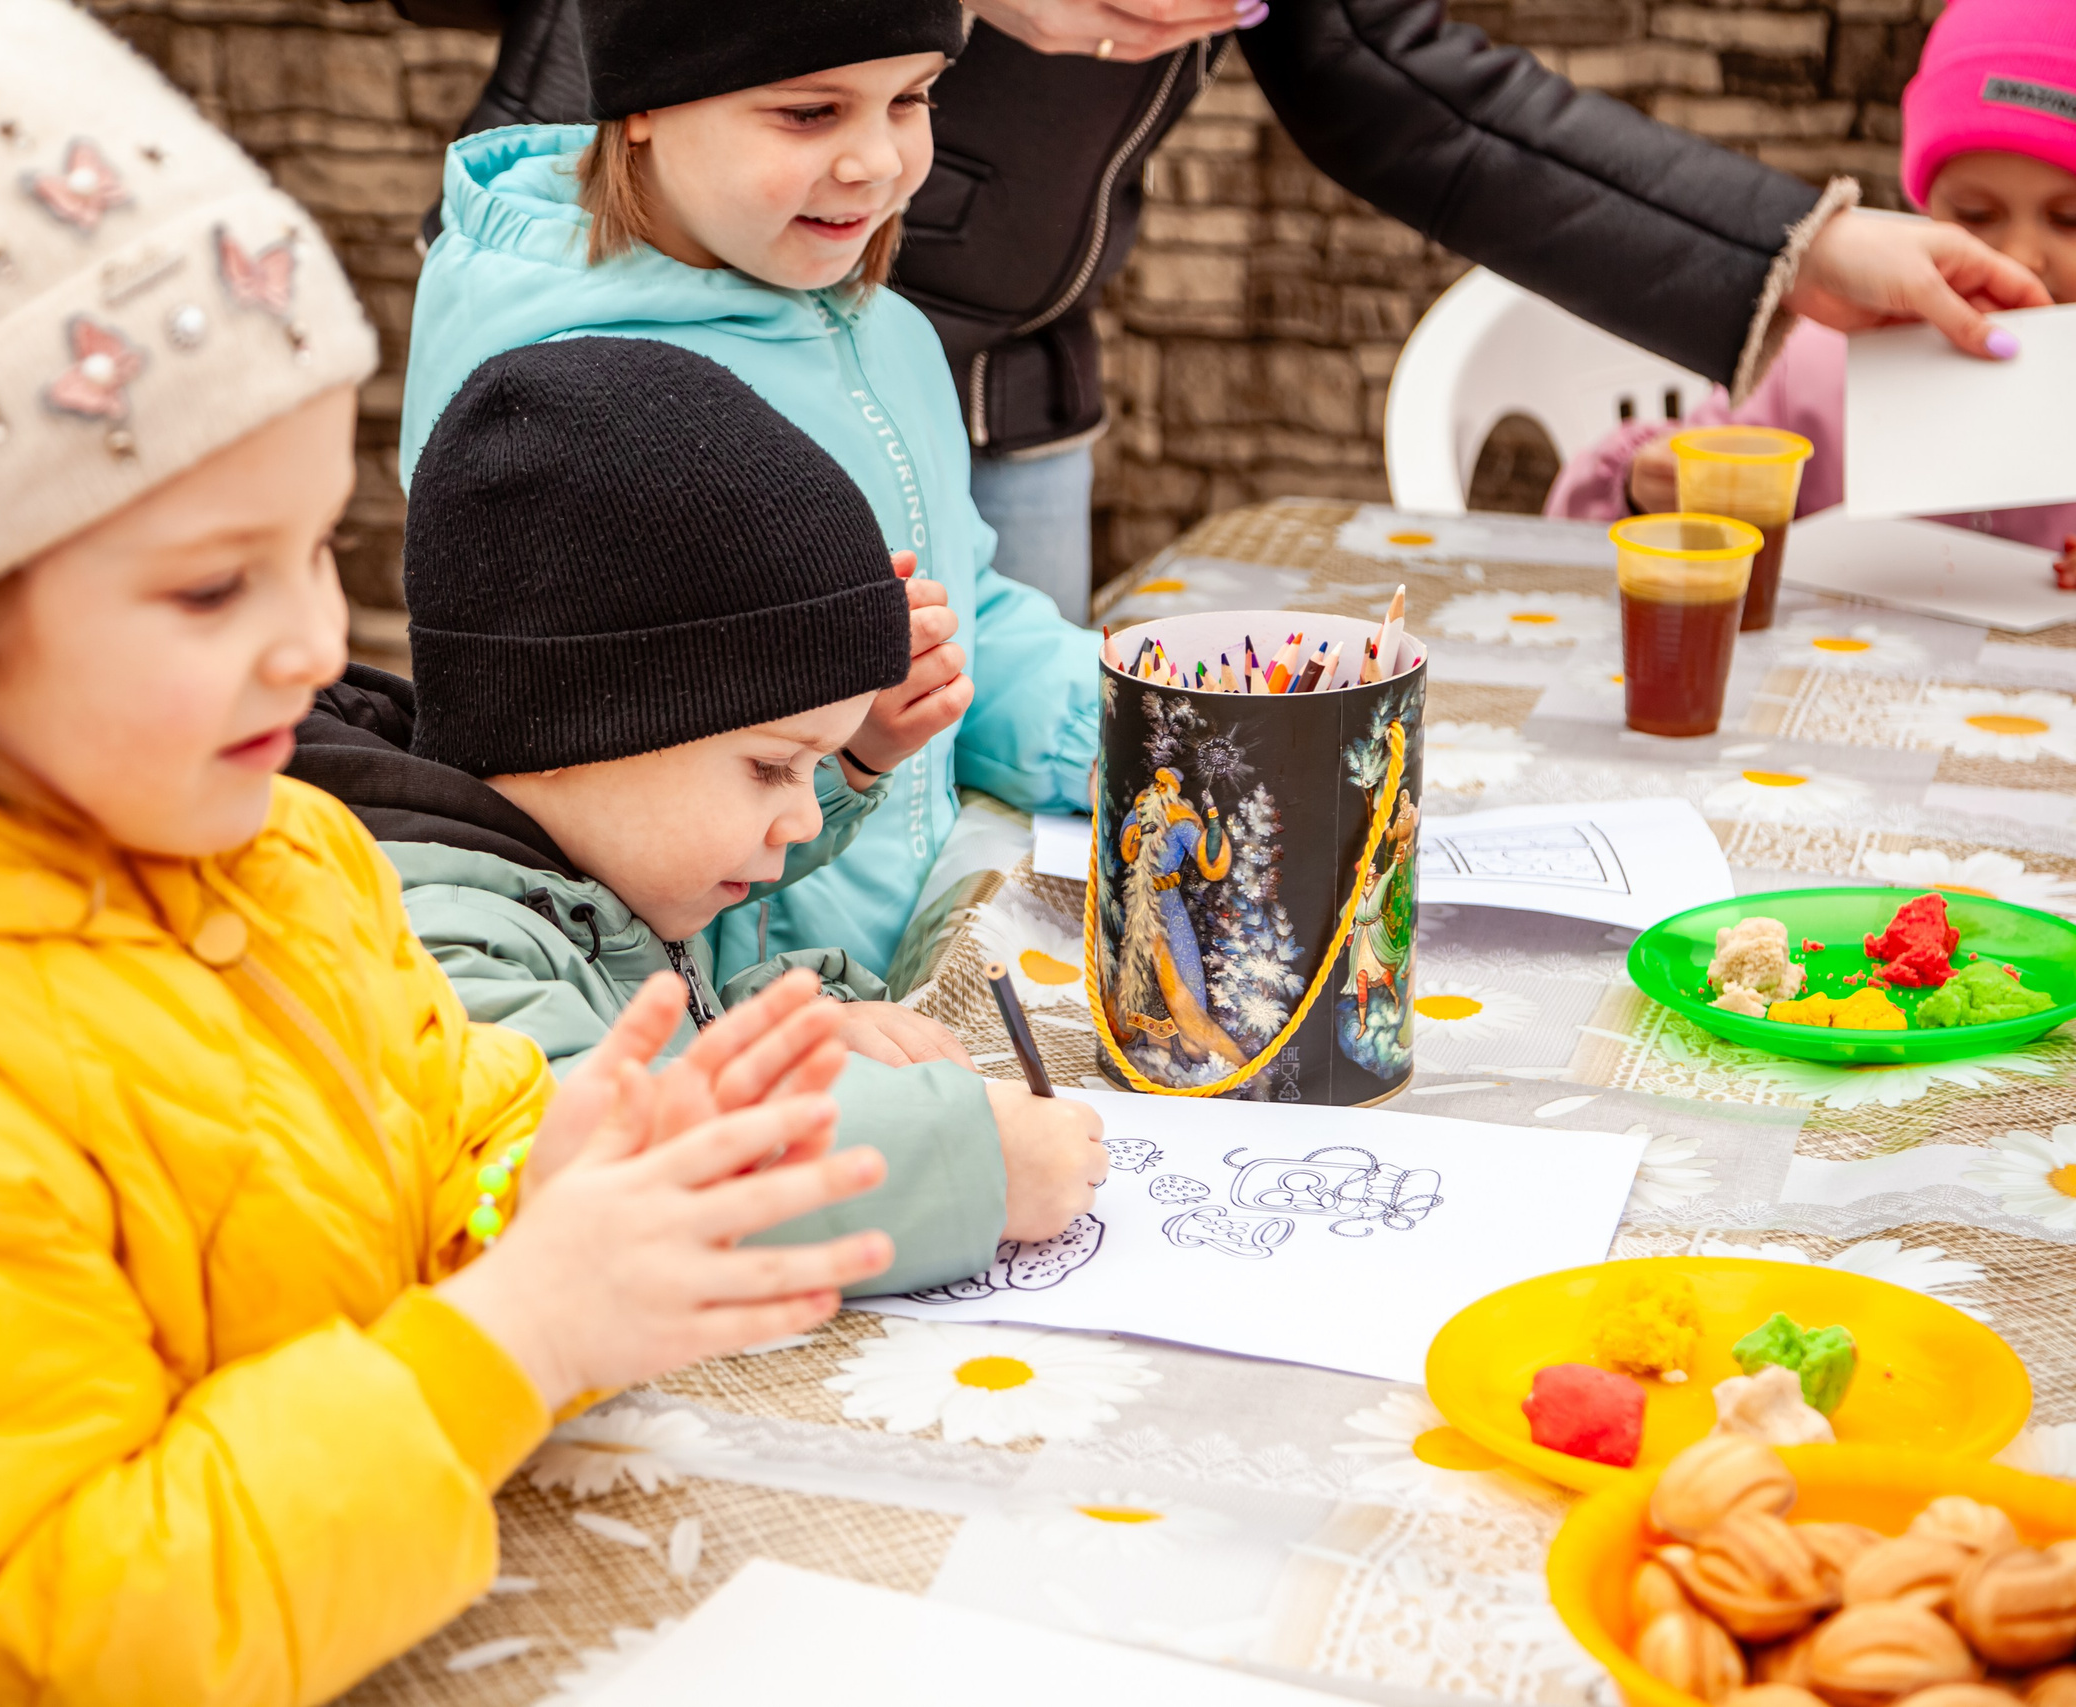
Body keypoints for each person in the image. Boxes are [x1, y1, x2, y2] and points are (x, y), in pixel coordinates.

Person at [0, 2, 899, 1698]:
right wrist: (514, 1333)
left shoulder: (283, 862)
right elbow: (59, 1632)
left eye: (316, 549)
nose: (315, 643)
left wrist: (542, 1192)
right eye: (208, 585)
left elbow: (436, 1135)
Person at [393, 0, 2051, 623]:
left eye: (907, 96)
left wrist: (1796, 249)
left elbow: (1396, 75)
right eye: (832, 106)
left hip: (995, 375)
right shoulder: (580, 349)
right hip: (656, 311)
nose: (878, 149)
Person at [291, 337, 1108, 1292]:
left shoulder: (569, 866)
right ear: (578, 721)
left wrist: (767, 1045)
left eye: (816, 766)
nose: (806, 820)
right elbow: (609, 1171)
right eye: (771, 766)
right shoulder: (433, 944)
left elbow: (640, 1028)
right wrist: (968, 1163)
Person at [402, 0, 1095, 994]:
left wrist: (1135, 738)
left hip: (889, 978)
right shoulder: (568, 404)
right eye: (810, 111)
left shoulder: (884, 331)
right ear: (645, 100)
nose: (877, 161)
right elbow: (576, 791)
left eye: (910, 99)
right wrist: (847, 758)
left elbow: (961, 613)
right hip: (719, 1019)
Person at [1547, 0, 2076, 552]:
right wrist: (1640, 489)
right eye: (1975, 214)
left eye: (2070, 219)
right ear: (1925, 208)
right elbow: (1572, 540)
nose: (2022, 256)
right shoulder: (1817, 355)